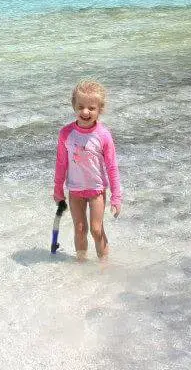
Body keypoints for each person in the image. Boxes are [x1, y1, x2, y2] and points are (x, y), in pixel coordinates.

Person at [53, 80, 122, 262]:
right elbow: (61, 164)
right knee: (80, 228)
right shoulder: (65, 134)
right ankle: (81, 264)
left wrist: (116, 196)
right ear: (74, 105)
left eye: (91, 108)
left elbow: (112, 167)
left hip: (97, 189)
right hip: (75, 190)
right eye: (81, 106)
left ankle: (104, 265)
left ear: (100, 109)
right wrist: (58, 189)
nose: (85, 112)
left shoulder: (103, 135)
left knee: (96, 229)